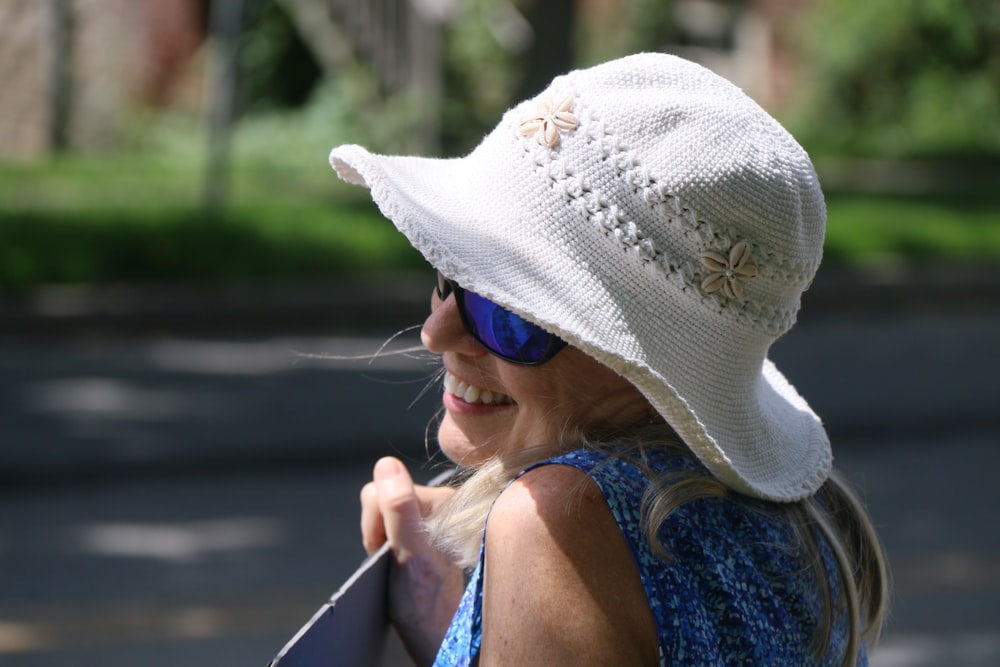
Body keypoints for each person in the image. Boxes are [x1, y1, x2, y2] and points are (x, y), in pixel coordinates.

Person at [331, 53, 888, 666]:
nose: (437, 331)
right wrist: (460, 615)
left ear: (631, 359)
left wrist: (527, 561)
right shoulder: (800, 529)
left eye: (507, 311)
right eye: (450, 273)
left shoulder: (556, 521)